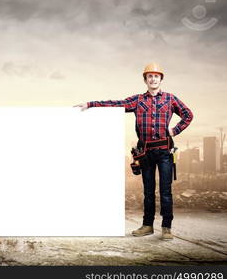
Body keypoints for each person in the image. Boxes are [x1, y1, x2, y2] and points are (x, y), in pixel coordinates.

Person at [74, 63, 193, 240]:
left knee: (166, 191)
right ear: (145, 80)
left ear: (161, 79)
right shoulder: (138, 100)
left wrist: (174, 130)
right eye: (149, 76)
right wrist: (90, 104)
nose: (153, 79)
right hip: (145, 152)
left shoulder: (170, 98)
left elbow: (188, 114)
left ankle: (166, 227)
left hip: (165, 152)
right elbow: (116, 104)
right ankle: (147, 225)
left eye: (156, 76)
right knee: (148, 191)